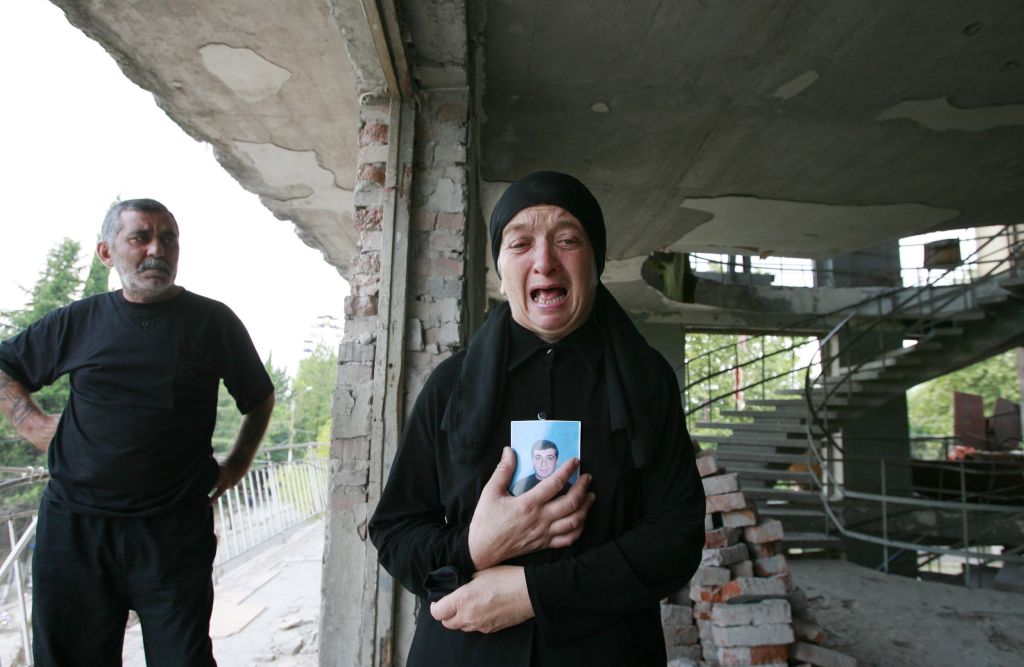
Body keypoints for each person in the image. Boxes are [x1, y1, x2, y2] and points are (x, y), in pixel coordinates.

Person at [369, 172, 706, 666]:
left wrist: (533, 593)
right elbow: (395, 533)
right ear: (501, 266)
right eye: (520, 242)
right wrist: (473, 547)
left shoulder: (647, 381)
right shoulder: (450, 385)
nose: (544, 260)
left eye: (567, 240)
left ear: (596, 260)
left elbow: (676, 538)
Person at [0, 198, 275, 666]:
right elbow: (6, 365)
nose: (157, 250)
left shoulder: (212, 321)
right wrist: (34, 425)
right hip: (76, 530)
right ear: (107, 252)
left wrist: (236, 465)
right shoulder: (79, 321)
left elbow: (259, 397)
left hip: (173, 532)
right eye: (140, 237)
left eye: (168, 238)